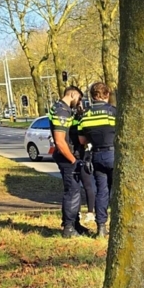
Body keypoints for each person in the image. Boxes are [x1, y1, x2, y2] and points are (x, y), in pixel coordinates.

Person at [78, 82, 116, 238]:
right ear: (106, 95)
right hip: (113, 155)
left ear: (92, 96)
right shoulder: (112, 112)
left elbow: (82, 140)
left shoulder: (85, 115)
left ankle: (101, 227)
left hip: (97, 156)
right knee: (117, 191)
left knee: (102, 191)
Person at [49, 85, 88, 238]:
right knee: (72, 192)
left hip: (69, 156)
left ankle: (74, 223)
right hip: (67, 157)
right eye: (78, 99)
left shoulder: (64, 109)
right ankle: (69, 228)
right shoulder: (62, 111)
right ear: (72, 95)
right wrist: (73, 160)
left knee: (75, 191)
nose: (79, 102)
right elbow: (60, 141)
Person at [71, 105, 97, 228]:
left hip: (73, 155)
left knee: (75, 187)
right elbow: (85, 140)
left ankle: (77, 213)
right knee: (88, 185)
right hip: (84, 155)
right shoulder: (85, 121)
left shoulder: (71, 121)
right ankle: (90, 212)